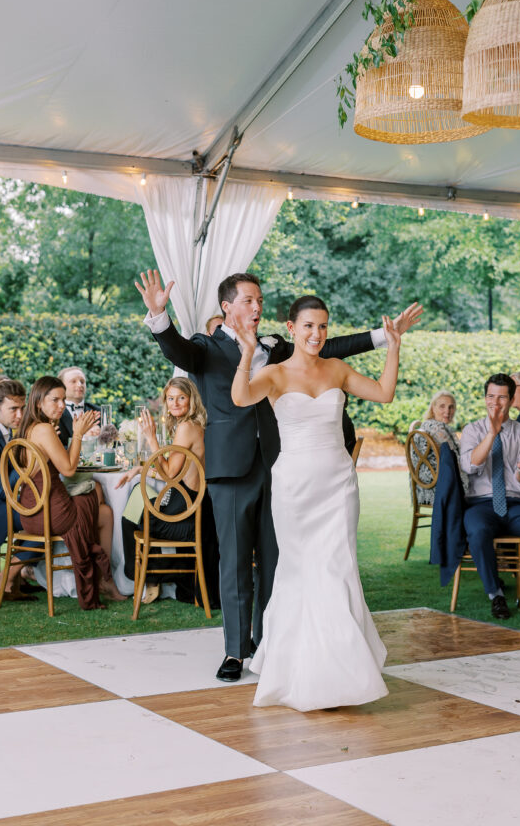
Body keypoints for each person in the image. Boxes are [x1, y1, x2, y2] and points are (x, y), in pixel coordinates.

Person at [136, 268, 422, 682]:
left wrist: (383, 337)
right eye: (249, 301)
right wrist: (159, 319)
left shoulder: (277, 345)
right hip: (231, 470)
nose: (257, 307)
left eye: (260, 301)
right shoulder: (204, 348)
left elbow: (328, 348)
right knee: (234, 562)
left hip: (284, 466)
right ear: (227, 306)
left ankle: (272, 643)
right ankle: (235, 652)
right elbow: (177, 352)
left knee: (277, 560)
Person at [231, 294, 401, 711]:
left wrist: (393, 348)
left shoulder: (337, 369)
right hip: (294, 487)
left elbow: (383, 393)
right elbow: (239, 398)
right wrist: (247, 354)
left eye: (323, 326)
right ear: (291, 328)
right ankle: (297, 671)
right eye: (308, 325)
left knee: (337, 568)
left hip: (337, 484)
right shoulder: (273, 374)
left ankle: (342, 672)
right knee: (300, 570)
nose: (317, 334)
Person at [17, 376, 125, 609]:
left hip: (31, 511)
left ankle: (103, 578)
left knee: (103, 512)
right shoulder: (44, 429)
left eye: (63, 400)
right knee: (91, 494)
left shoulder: (29, 428)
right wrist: (77, 434)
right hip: (49, 513)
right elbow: (68, 468)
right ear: (38, 402)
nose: (61, 406)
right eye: (55, 400)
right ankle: (102, 577)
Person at [117, 377, 219, 607]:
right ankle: (151, 576)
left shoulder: (186, 427)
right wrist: (141, 469)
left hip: (185, 517)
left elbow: (171, 475)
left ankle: (147, 576)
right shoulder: (192, 425)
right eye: (171, 398)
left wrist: (152, 440)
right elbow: (174, 475)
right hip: (190, 508)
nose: (175, 403)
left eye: (181, 398)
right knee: (135, 498)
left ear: (191, 400)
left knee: (132, 515)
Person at [459, 373, 520, 619]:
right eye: (490, 396)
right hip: (481, 503)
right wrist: (491, 433)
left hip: (516, 502)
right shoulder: (472, 430)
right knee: (477, 532)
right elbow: (470, 466)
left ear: (510, 400)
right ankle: (495, 594)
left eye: (501, 398)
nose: (495, 403)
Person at [0, 378, 36, 601]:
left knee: (46, 514)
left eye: (22, 407)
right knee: (46, 522)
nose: (20, 415)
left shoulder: (7, 429)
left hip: (9, 503)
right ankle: (4, 579)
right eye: (13, 409)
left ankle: (15, 577)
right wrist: (26, 456)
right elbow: (1, 490)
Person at [410, 390, 467, 504]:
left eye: (451, 407)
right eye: (442, 406)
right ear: (433, 408)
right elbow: (457, 458)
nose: (447, 411)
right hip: (439, 489)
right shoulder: (437, 428)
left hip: (421, 490)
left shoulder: (426, 425)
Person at [57, 366, 100, 447]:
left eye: (82, 381)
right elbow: (56, 450)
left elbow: (113, 444)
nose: (80, 385)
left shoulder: (98, 411)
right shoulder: (54, 414)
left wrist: (102, 437)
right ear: (61, 387)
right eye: (73, 381)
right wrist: (84, 439)